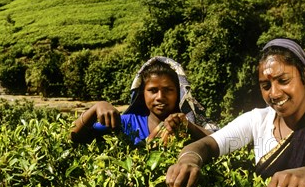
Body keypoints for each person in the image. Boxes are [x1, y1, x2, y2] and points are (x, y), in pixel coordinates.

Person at [166, 38, 305, 187]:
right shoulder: (257, 121)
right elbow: (208, 145)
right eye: (266, 86)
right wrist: (189, 160)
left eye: (283, 81)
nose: (274, 94)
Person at [70, 56, 215, 145]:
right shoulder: (127, 123)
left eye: (168, 90)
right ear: (142, 94)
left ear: (179, 93)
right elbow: (74, 136)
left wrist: (187, 126)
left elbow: (221, 141)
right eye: (152, 90)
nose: (160, 97)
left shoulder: (191, 126)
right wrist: (97, 107)